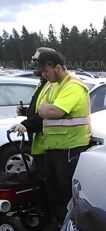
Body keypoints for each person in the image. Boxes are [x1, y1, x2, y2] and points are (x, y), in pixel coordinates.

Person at [34, 50, 91, 226]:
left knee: (66, 193)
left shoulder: (73, 86)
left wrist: (46, 109)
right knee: (53, 191)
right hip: (53, 147)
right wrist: (44, 109)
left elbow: (53, 111)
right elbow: (40, 110)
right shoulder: (53, 84)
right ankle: (59, 227)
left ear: (57, 67)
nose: (44, 75)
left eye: (46, 71)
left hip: (70, 149)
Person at [9, 47, 58, 178]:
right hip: (39, 144)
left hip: (47, 146)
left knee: (47, 185)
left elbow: (50, 112)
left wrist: (27, 124)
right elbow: (39, 107)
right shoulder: (43, 83)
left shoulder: (52, 84)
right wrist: (27, 111)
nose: (33, 65)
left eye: (36, 61)